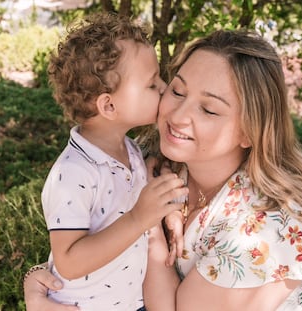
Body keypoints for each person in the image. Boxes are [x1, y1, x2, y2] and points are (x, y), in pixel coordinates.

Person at [24, 29, 302, 310]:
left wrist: (149, 222)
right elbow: (86, 241)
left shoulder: (272, 227)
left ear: (250, 131)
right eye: (178, 91)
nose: (178, 115)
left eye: (209, 109)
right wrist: (42, 281)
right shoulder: (146, 160)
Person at [36, 12, 188, 311]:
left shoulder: (130, 151)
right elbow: (68, 261)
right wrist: (137, 219)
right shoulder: (73, 173)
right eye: (151, 83)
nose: (163, 87)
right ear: (109, 105)